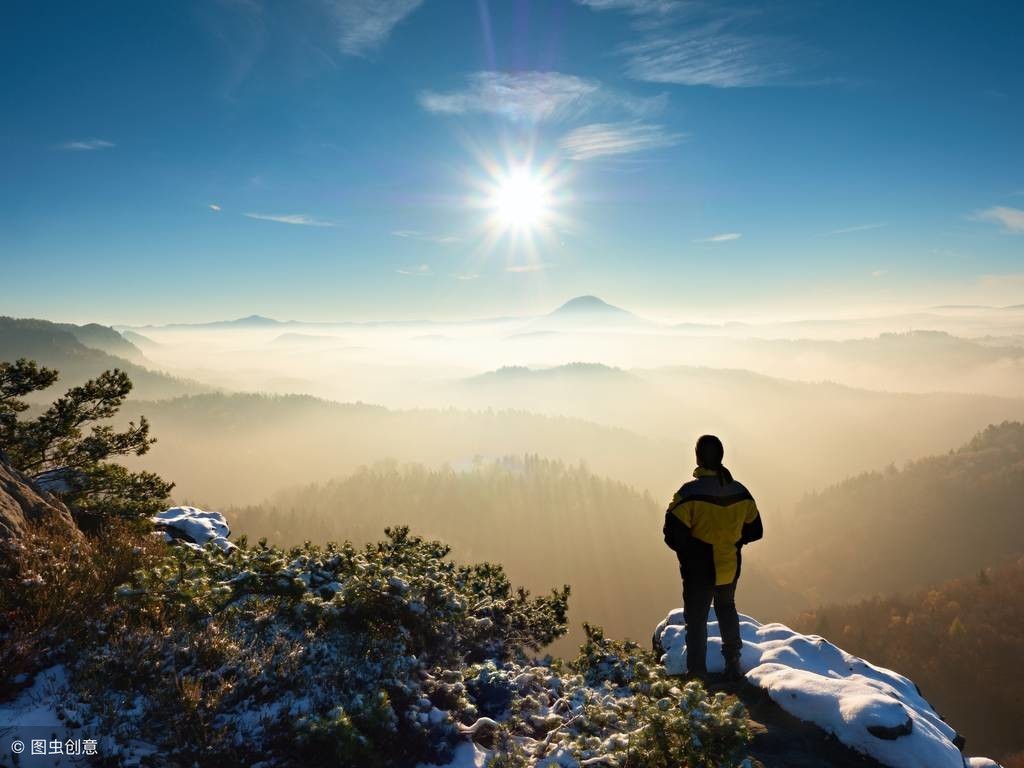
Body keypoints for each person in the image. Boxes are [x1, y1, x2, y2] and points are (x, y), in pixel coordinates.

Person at [663, 435, 763, 681]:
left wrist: (691, 553)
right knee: (727, 609)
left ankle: (697, 675)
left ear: (698, 457)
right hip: (729, 566)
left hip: (699, 571)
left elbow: (672, 535)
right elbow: (756, 530)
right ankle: (732, 664)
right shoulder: (741, 492)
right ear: (721, 457)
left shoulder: (688, 495)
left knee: (696, 622)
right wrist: (734, 541)